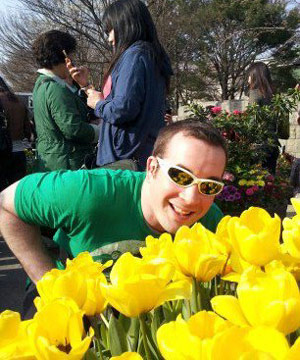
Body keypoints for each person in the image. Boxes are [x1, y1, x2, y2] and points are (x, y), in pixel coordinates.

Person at [0, 119, 226, 287]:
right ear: (152, 168)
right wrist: (48, 282)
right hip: (68, 305)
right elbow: (6, 203)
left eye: (209, 186)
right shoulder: (88, 194)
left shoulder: (210, 222)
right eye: (181, 176)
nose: (191, 198)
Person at [68, 0, 173, 170]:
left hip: (124, 157)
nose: (109, 38)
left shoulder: (134, 55)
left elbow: (122, 109)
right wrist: (87, 87)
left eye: (110, 30)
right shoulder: (151, 55)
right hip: (139, 153)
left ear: (125, 24)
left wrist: (98, 104)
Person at [31, 30, 99, 171]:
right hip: (66, 163)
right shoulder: (55, 89)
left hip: (55, 159)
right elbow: (73, 128)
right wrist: (100, 131)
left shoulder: (43, 84)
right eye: (71, 55)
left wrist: (82, 84)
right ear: (64, 55)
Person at [247, 61, 280, 174]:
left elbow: (252, 120)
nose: (248, 79)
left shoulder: (255, 93)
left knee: (251, 181)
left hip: (258, 144)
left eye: (249, 75)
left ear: (255, 76)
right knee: (270, 181)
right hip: (273, 143)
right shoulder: (274, 94)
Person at [0, 80, 32, 188]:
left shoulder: (1, 101)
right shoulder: (18, 100)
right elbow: (28, 130)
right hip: (21, 147)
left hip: (4, 150)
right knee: (18, 187)